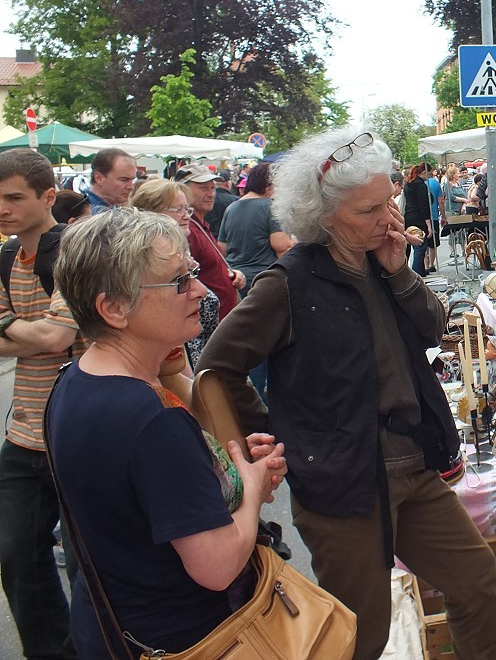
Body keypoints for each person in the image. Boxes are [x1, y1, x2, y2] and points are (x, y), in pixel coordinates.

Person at [196, 128, 496, 660]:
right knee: (362, 633)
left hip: (414, 464)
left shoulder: (382, 259)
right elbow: (217, 368)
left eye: (388, 200)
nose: (388, 219)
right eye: (368, 211)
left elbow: (435, 331)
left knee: (475, 579)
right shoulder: (287, 284)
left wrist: (401, 274)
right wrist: (274, 437)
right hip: (344, 481)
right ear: (325, 216)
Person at [47, 209, 286, 657]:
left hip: (115, 627)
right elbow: (216, 567)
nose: (199, 289)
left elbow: (133, 503)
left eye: (193, 272)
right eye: (178, 281)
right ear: (114, 308)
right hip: (183, 639)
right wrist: (250, 488)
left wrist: (220, 469)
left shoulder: (75, 380)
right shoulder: (151, 417)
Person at [0, 149, 88, 660]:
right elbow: (48, 334)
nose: (4, 208)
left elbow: (57, 337)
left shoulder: (73, 250)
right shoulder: (7, 256)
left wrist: (12, 330)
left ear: (48, 196)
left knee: (87, 564)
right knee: (16, 557)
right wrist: (28, 333)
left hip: (75, 429)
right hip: (24, 432)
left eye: (15, 197)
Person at [131, 180, 222, 366]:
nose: (186, 216)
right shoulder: (147, 259)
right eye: (177, 209)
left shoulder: (184, 247)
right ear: (151, 213)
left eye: (187, 209)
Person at [176, 163, 245, 318]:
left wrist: (231, 274)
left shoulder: (199, 225)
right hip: (206, 325)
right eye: (203, 188)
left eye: (212, 188)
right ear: (182, 190)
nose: (211, 194)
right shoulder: (187, 231)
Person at [220, 163, 293, 291]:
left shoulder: (231, 208)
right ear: (269, 185)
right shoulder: (271, 207)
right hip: (263, 279)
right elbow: (281, 245)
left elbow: (222, 247)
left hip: (235, 278)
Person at [84, 147, 136, 213]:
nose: (131, 187)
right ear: (99, 178)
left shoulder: (113, 208)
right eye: (124, 180)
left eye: (132, 180)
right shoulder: (85, 214)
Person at [403, 163, 433, 276]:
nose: (429, 176)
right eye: (429, 173)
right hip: (419, 218)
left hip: (408, 216)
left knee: (409, 247)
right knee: (420, 247)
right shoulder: (421, 186)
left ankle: (418, 271)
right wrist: (429, 226)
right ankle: (417, 273)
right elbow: (424, 206)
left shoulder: (408, 184)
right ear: (424, 172)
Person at [204, 168, 240, 237]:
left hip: (209, 237)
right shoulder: (235, 201)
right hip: (227, 239)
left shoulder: (206, 199)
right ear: (228, 183)